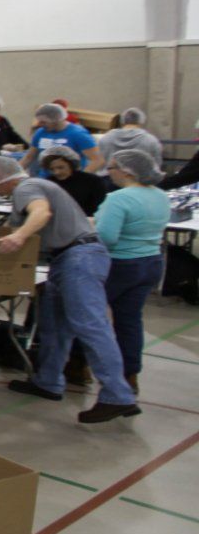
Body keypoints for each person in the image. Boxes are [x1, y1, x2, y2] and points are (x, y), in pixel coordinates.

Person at [0, 156, 136, 422]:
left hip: (78, 258)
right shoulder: (34, 187)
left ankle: (117, 395)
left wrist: (17, 237)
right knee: (55, 325)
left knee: (90, 325)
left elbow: (41, 213)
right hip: (64, 260)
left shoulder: (26, 188)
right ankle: (49, 380)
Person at [95, 150, 170, 399]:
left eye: (112, 167)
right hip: (151, 262)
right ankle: (130, 375)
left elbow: (107, 237)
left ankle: (79, 365)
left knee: (89, 318)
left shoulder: (119, 198)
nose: (109, 172)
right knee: (130, 321)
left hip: (121, 264)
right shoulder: (160, 195)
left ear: (126, 171)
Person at [39, 147, 108, 216]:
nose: (56, 172)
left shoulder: (92, 181)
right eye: (51, 169)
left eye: (61, 167)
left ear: (71, 164)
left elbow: (102, 206)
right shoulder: (48, 183)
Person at [97, 109, 162, 172]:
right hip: (139, 181)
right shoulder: (151, 140)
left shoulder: (106, 138)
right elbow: (156, 167)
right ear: (141, 122)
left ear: (122, 121)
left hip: (107, 179)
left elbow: (98, 162)